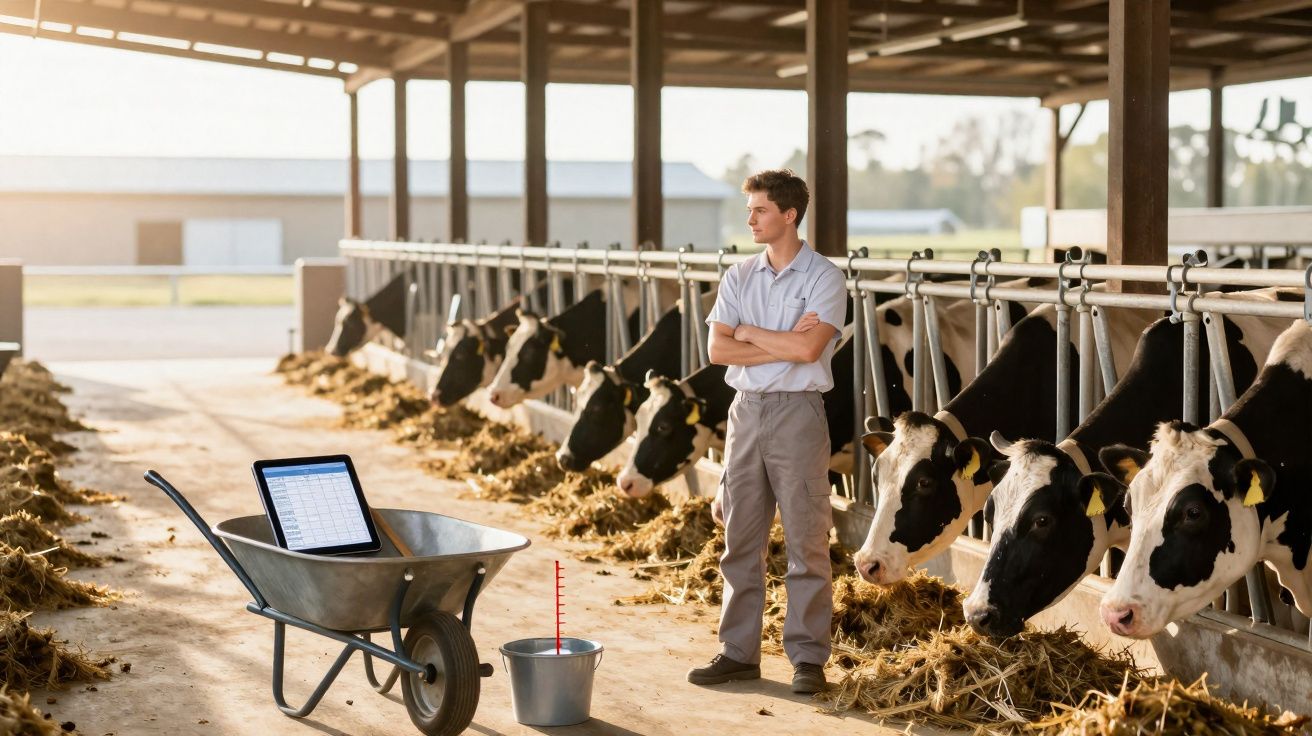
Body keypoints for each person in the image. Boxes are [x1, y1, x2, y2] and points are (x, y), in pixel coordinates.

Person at [688, 169, 847, 695]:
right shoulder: (739, 276)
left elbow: (808, 351)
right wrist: (774, 339)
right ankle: (738, 653)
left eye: (759, 210)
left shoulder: (824, 277)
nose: (749, 218)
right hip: (746, 411)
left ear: (789, 215)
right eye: (750, 209)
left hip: (800, 413)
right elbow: (717, 352)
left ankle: (807, 658)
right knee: (740, 537)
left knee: (806, 539)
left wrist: (749, 332)